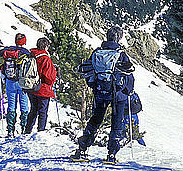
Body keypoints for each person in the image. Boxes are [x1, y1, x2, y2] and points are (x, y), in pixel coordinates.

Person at [71, 26, 134, 164]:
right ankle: (111, 154)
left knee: (96, 119)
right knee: (116, 123)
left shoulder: (97, 53)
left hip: (100, 92)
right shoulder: (121, 54)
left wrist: (95, 87)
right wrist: (128, 91)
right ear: (119, 38)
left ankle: (82, 149)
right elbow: (129, 76)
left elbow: (88, 72)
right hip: (118, 95)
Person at [0, 33, 30, 138]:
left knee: (11, 106)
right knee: (24, 106)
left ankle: (10, 130)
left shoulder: (7, 51)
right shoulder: (25, 53)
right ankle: (24, 129)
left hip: (10, 81)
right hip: (22, 82)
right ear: (24, 42)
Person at [24, 37, 57, 133]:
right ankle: (41, 131)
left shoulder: (31, 55)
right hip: (43, 88)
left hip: (31, 86)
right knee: (43, 111)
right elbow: (49, 77)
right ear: (46, 47)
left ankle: (27, 130)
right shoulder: (45, 58)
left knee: (33, 109)